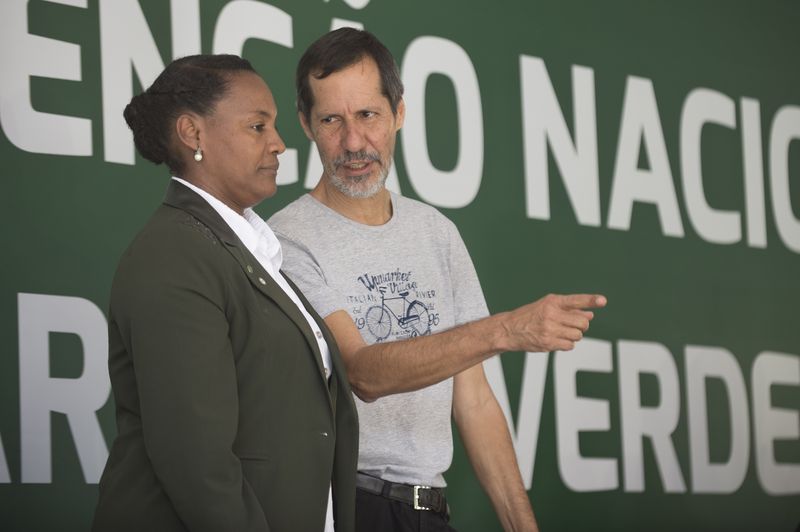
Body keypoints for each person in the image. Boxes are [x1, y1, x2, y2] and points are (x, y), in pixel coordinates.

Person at [268, 29, 607, 532]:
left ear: (399, 113)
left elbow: (474, 400)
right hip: (346, 508)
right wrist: (504, 330)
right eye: (331, 120)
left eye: (368, 115)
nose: (353, 142)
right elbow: (363, 374)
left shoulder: (436, 233)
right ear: (306, 124)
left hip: (429, 511)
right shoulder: (285, 240)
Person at [91, 54, 358, 532]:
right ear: (193, 134)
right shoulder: (175, 255)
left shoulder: (242, 249)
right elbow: (197, 464)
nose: (279, 143)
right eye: (258, 126)